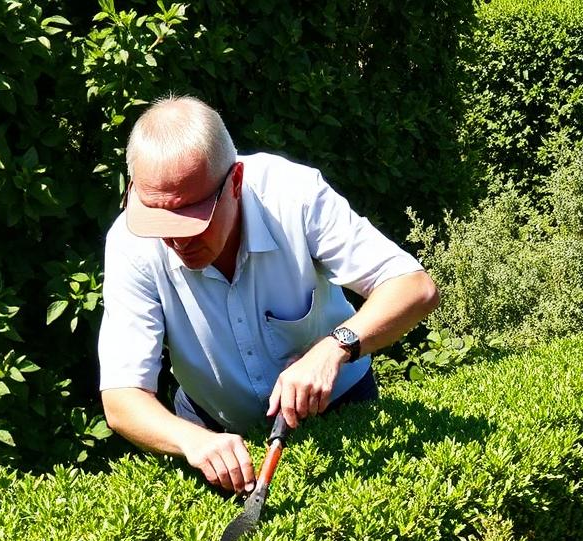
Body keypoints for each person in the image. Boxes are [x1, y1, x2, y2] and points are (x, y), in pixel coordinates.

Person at [97, 96, 439, 494]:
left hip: (342, 406)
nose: (173, 239)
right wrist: (192, 440)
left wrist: (332, 350)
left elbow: (414, 286)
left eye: (192, 219)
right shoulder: (129, 243)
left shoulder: (294, 195)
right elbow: (121, 397)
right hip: (214, 434)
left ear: (236, 182)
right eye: (156, 215)